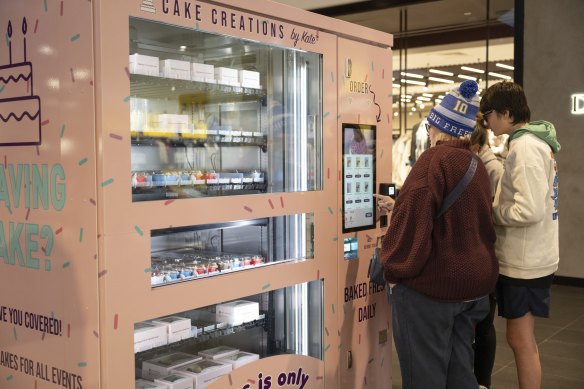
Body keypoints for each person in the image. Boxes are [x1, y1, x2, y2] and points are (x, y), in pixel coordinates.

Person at [379, 80, 498, 389]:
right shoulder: (476, 164)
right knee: (460, 370)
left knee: (424, 374)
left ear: (434, 126)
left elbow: (412, 226)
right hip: (473, 286)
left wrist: (393, 270)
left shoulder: (432, 161)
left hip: (434, 289)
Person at [478, 81, 560, 389]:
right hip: (534, 256)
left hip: (526, 262)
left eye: (490, 115)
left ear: (506, 113)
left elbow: (527, 211)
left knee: (520, 339)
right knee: (521, 338)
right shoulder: (534, 142)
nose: (487, 122)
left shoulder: (525, 148)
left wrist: (492, 213)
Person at [470, 115, 497, 389]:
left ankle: (481, 381)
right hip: (482, 255)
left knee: (484, 325)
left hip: (485, 254)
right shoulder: (481, 165)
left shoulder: (489, 168)